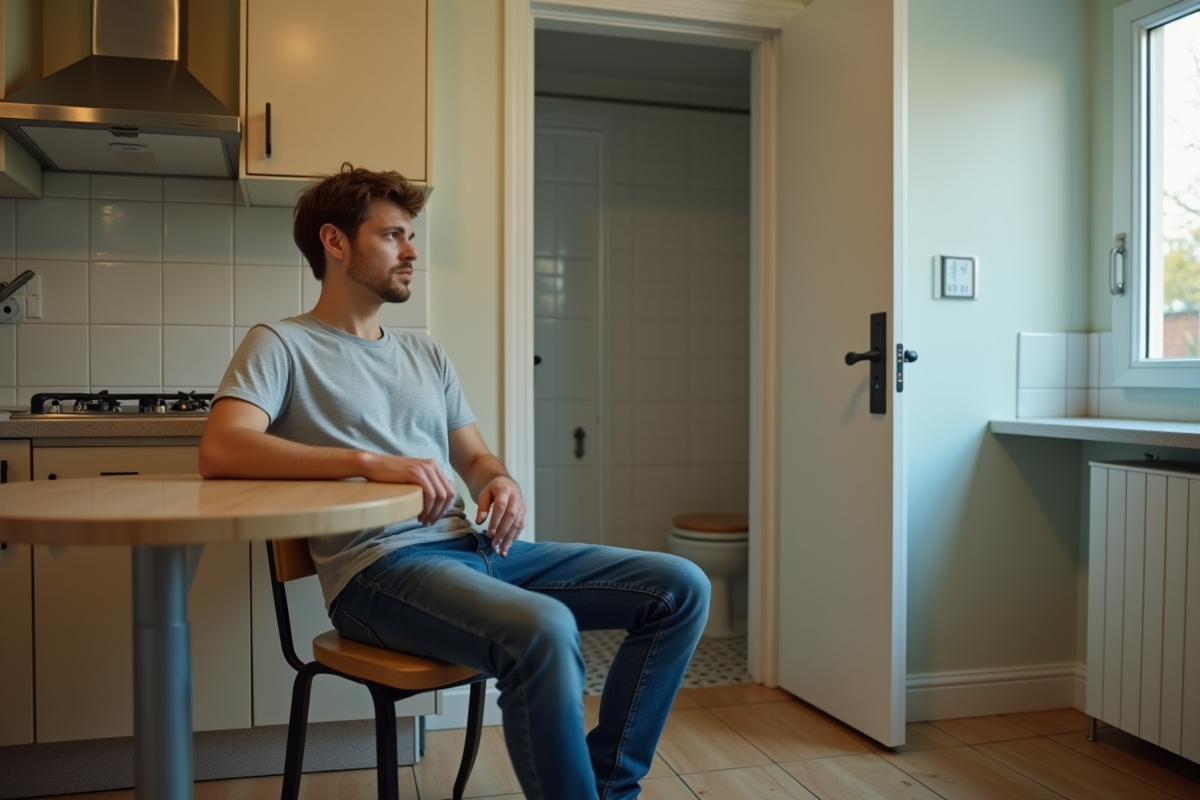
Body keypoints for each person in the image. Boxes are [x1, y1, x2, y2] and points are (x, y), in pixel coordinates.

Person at [198, 164, 710, 800]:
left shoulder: (425, 354)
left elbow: (476, 460)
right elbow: (222, 448)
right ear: (335, 242)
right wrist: (368, 461)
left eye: (412, 236)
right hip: (379, 574)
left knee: (679, 587)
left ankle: (606, 789)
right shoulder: (281, 344)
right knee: (544, 628)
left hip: (476, 553)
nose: (412, 252)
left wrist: (501, 482)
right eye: (392, 236)